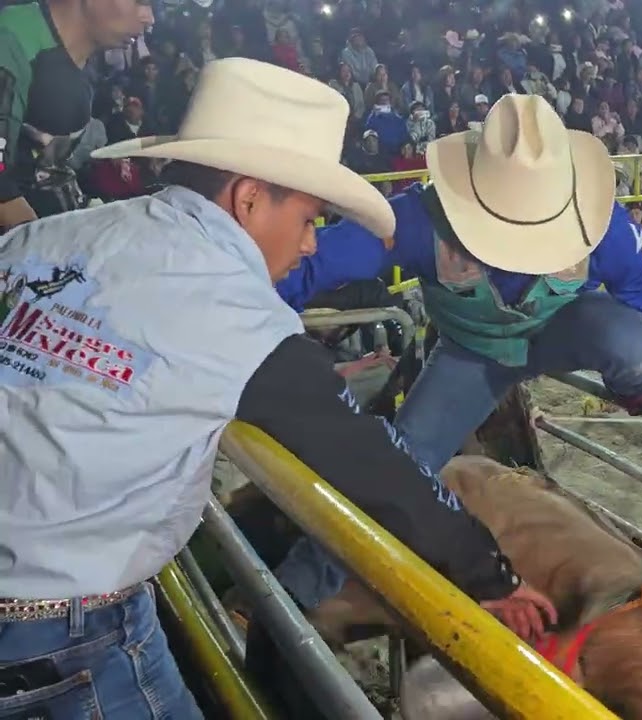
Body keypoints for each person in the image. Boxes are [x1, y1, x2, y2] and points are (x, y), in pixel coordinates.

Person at [0, 59, 554, 719]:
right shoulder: (240, 320)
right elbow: (371, 463)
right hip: (63, 634)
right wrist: (488, 575)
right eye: (309, 216)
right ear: (250, 198)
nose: (312, 242)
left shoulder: (40, 237)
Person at [272, 93, 642, 610]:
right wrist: (249, 311)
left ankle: (637, 389)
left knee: (635, 347)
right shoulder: (418, 219)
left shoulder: (608, 231)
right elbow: (312, 265)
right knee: (394, 473)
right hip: (472, 355)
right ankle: (289, 597)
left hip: (558, 332)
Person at [0, 0, 152, 227]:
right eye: (141, 1)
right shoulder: (14, 36)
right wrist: (47, 248)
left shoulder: (86, 67)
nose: (149, 18)